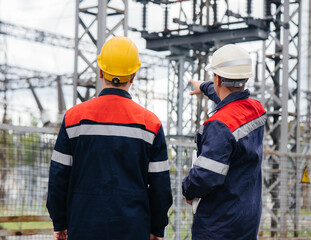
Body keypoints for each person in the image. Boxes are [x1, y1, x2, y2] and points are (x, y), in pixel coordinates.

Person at [47, 36, 173, 240]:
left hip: (83, 226)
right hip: (133, 229)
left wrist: (60, 222)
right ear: (133, 75)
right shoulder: (151, 124)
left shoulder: (74, 118)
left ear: (100, 71)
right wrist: (157, 228)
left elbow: (59, 177)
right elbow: (160, 187)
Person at [182, 44, 266, 239]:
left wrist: (188, 190)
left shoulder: (220, 126)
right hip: (247, 220)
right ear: (246, 78)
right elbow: (230, 96)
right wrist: (203, 87)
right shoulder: (256, 110)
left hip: (219, 225)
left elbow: (205, 176)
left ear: (217, 78)